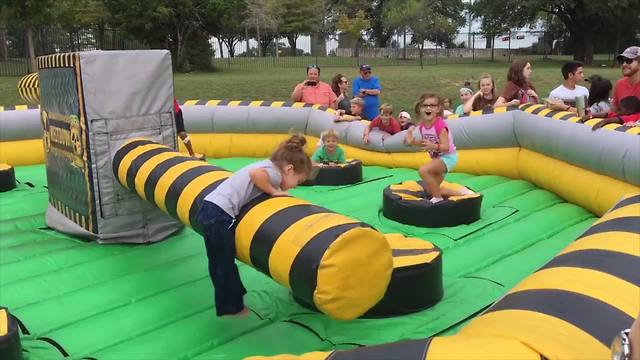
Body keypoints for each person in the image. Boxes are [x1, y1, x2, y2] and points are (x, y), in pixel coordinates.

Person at [197, 134, 312, 316]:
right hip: (220, 215)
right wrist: (274, 192)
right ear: (289, 169)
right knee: (225, 263)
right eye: (298, 181)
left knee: (219, 260)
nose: (295, 186)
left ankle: (232, 299)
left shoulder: (267, 164)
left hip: (209, 208)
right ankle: (232, 308)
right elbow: (255, 175)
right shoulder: (272, 173)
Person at [405, 93, 473, 203]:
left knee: (423, 170)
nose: (428, 108)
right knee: (430, 190)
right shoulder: (423, 126)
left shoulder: (440, 126)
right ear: (420, 108)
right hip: (437, 160)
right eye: (425, 105)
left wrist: (434, 146)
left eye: (432, 105)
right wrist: (412, 141)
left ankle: (438, 198)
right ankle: (463, 193)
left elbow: (446, 147)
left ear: (438, 109)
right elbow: (425, 143)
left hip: (448, 158)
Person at [612, 46, 640, 112]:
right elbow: (613, 110)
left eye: (629, 60)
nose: (624, 64)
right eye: (622, 61)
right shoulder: (620, 84)